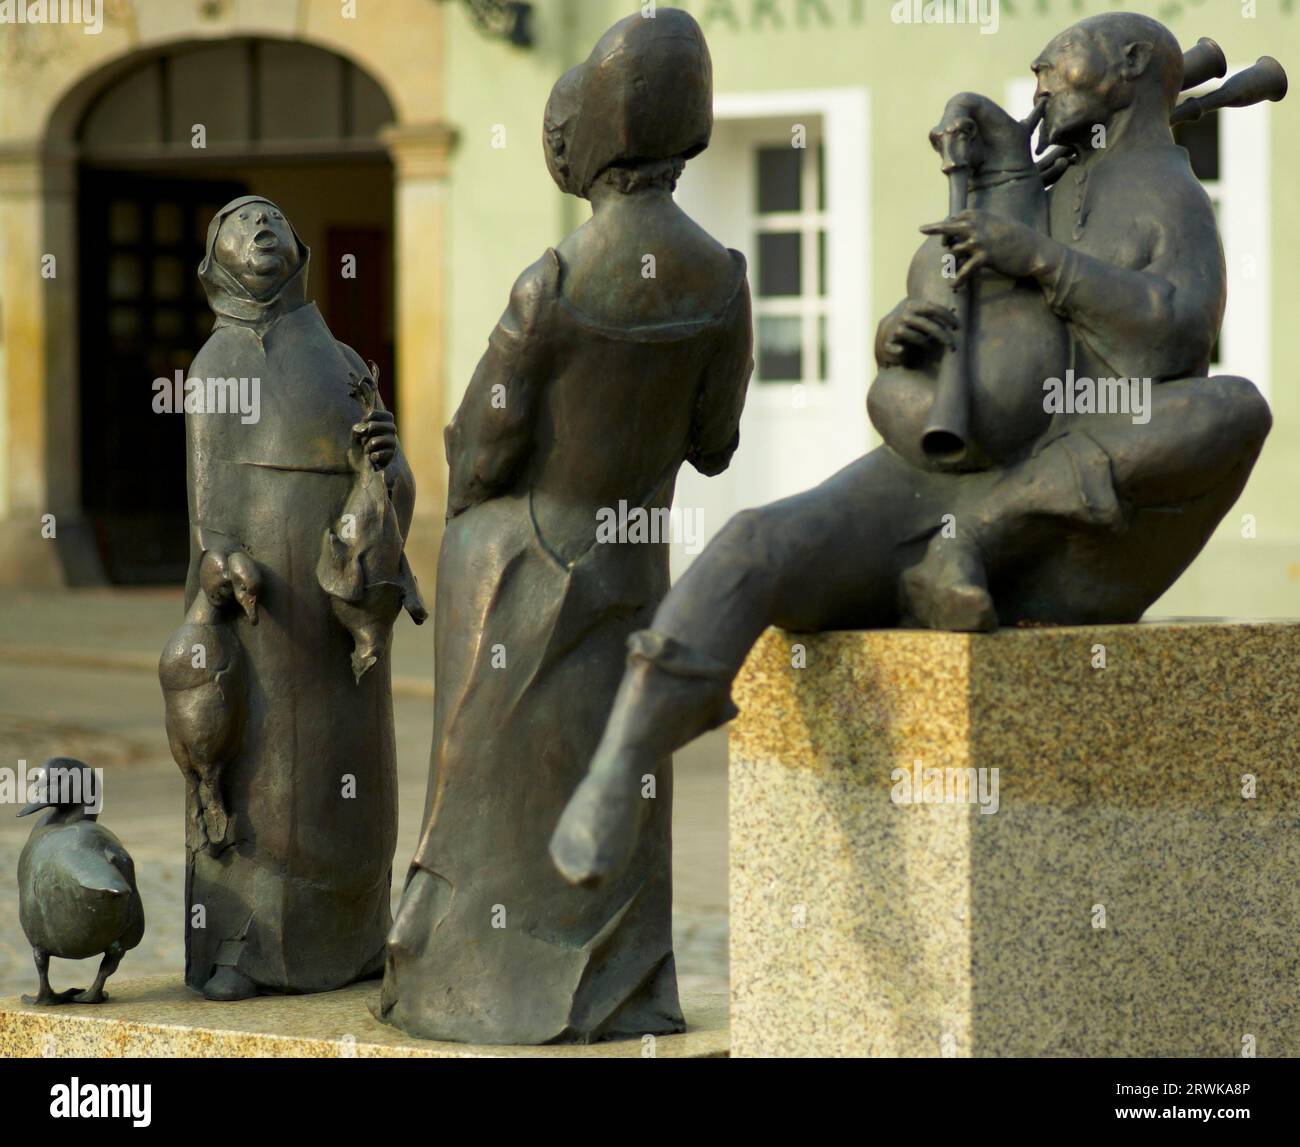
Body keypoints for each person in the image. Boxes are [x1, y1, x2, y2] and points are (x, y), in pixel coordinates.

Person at [549, 12, 1272, 887]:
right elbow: (979, 322)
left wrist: (1043, 261)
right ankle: (623, 759)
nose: (1038, 74)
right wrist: (905, 335)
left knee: (1231, 410)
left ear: (1126, 63)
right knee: (753, 543)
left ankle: (975, 543)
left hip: (1064, 511)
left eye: (1058, 59)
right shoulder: (1046, 180)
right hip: (935, 479)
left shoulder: (1167, 192)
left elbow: (1174, 334)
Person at [377, 9, 753, 1044]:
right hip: (634, 563)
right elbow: (714, 442)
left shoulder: (550, 284)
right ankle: (623, 986)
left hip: (518, 565)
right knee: (615, 779)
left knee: (485, 792)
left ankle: (474, 988)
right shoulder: (721, 277)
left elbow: (481, 452)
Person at [175, 196, 419, 1000]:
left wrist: (388, 462)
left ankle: (351, 938)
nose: (261, 228)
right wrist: (223, 567)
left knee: (349, 775)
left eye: (273, 219)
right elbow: (207, 517)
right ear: (217, 263)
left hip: (336, 606)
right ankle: (244, 945)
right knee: (264, 771)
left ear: (300, 245)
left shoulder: (347, 361)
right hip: (264, 609)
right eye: (241, 224)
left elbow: (393, 486)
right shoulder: (213, 368)